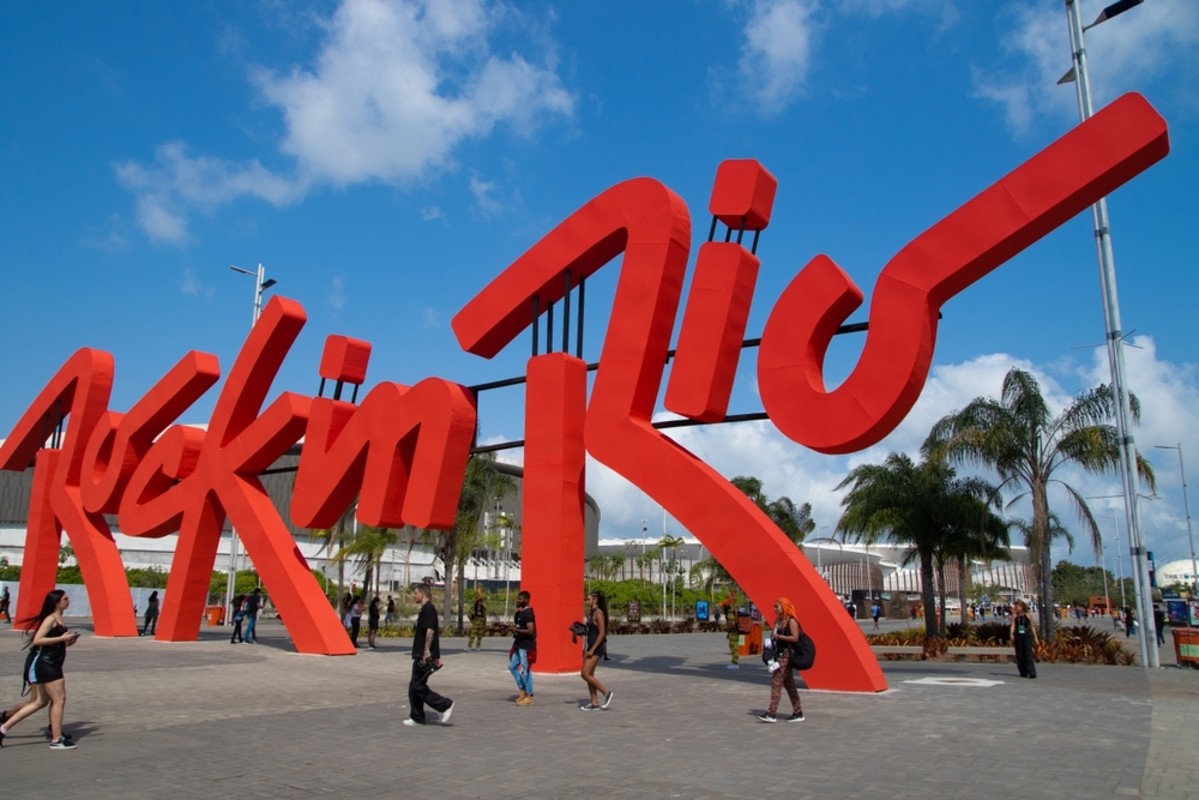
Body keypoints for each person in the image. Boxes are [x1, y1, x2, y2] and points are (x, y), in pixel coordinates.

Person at [0, 589, 81, 749]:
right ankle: (56, 740)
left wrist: (67, 641)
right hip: (48, 664)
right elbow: (38, 640)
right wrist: (62, 637)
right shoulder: (50, 618)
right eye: (65, 598)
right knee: (59, 700)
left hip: (52, 662)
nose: (68, 600)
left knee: (40, 702)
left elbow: (54, 642)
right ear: (56, 602)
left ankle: (2, 729)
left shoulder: (59, 618)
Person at [403, 583, 454, 727]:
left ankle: (445, 704)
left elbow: (430, 631)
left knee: (418, 686)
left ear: (422, 594)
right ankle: (417, 717)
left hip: (424, 655)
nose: (414, 595)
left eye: (415, 593)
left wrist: (427, 652)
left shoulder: (428, 609)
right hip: (420, 653)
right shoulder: (424, 610)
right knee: (414, 686)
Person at [756, 597, 805, 723]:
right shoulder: (778, 620)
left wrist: (779, 636)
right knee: (789, 685)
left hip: (786, 656)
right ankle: (798, 712)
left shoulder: (791, 621)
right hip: (779, 655)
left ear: (784, 607)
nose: (774, 609)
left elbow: (795, 638)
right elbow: (774, 635)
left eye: (776, 606)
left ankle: (771, 713)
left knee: (776, 683)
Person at [580, 591, 613, 711]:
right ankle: (594, 702)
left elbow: (602, 633)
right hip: (590, 647)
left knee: (585, 674)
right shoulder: (592, 613)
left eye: (589, 599)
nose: (587, 601)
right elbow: (590, 630)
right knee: (589, 674)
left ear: (595, 600)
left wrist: (592, 649)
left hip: (597, 648)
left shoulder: (599, 613)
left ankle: (606, 692)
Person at [509, 590, 536, 705]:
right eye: (518, 599)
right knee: (512, 666)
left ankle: (529, 695)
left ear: (526, 600)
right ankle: (522, 689)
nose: (518, 601)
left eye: (520, 599)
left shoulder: (528, 613)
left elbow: (531, 630)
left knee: (525, 670)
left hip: (526, 646)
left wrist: (517, 630)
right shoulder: (520, 614)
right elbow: (520, 627)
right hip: (519, 644)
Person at [1011, 599, 1039, 679]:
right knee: (1019, 654)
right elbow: (1013, 625)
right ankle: (1023, 671)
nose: (1016, 608)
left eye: (1018, 606)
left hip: (1026, 634)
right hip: (1018, 634)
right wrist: (1011, 634)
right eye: (1016, 606)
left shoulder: (1028, 615)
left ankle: (1031, 671)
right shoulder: (1015, 616)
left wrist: (1035, 637)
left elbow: (1032, 626)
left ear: (1022, 607)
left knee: (1028, 653)